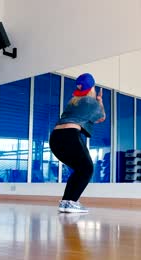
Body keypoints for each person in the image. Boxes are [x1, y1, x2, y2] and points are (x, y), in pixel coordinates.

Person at [49, 73, 106, 213]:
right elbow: (101, 118)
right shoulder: (91, 102)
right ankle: (72, 202)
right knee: (87, 169)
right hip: (70, 136)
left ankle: (66, 202)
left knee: (80, 170)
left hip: (55, 138)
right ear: (92, 87)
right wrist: (100, 100)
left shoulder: (72, 102)